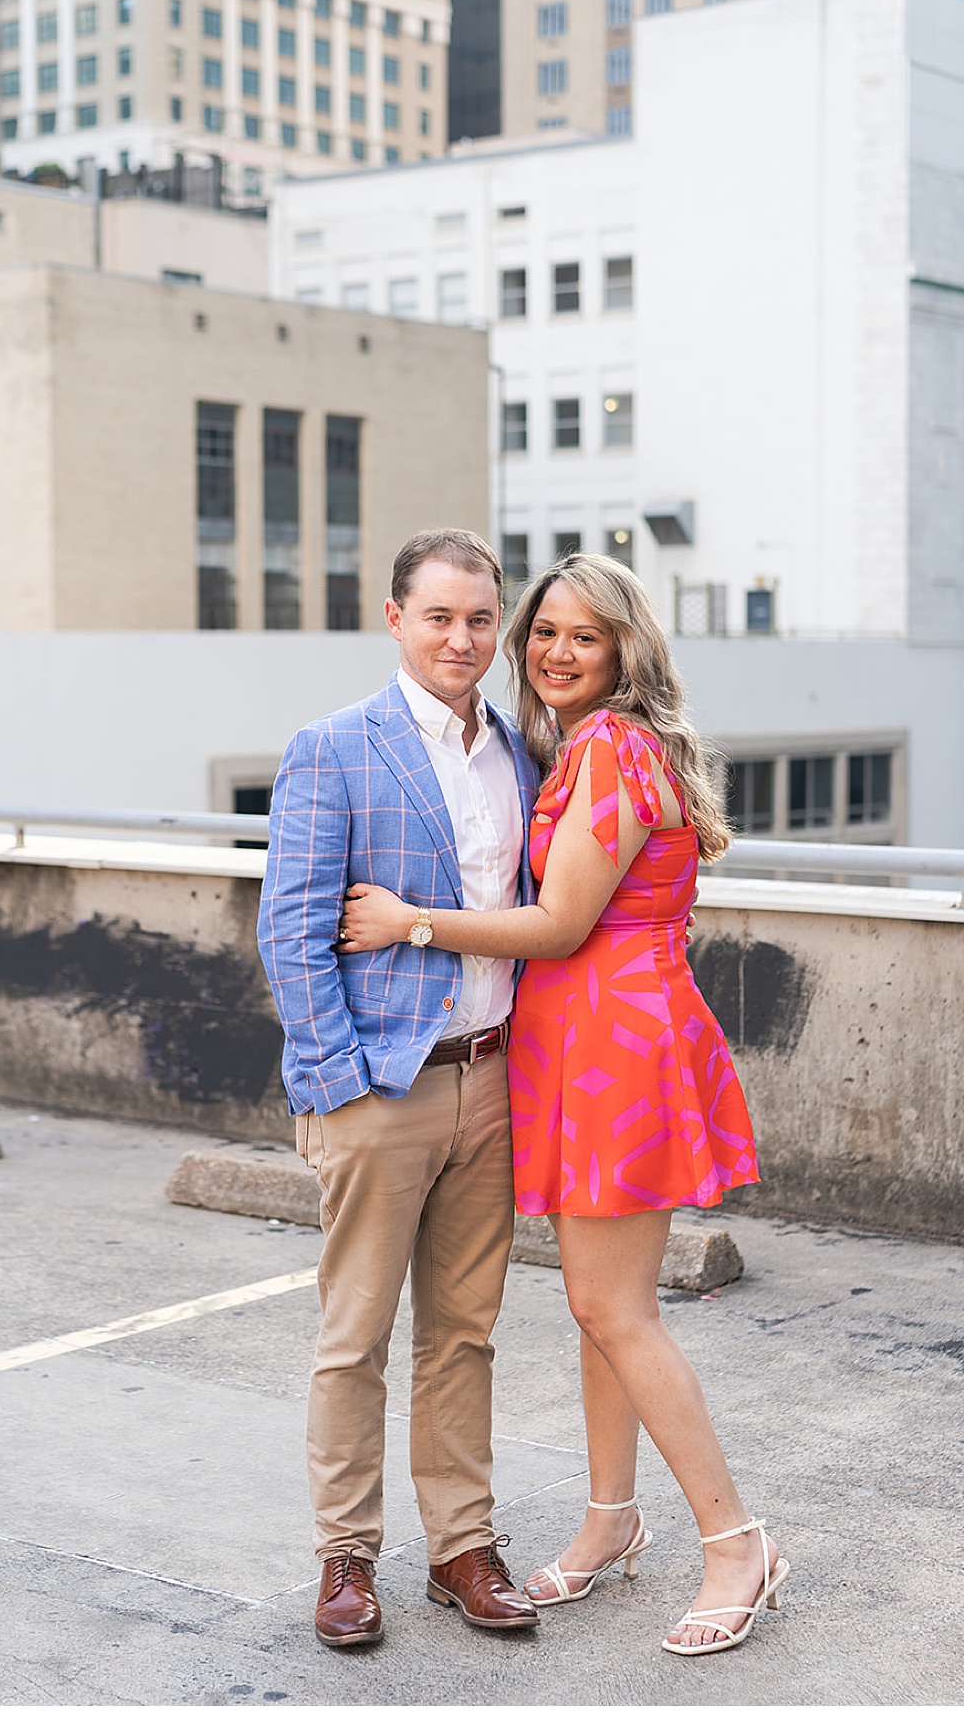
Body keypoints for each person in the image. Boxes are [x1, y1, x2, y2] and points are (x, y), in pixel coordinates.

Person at [339, 552, 789, 1659]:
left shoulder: (609, 749)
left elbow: (561, 925)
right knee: (601, 1307)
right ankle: (608, 1520)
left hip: (612, 1047)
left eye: (582, 636)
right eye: (543, 632)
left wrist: (411, 921)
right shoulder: (587, 747)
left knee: (616, 1312)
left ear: (624, 647)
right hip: (596, 1041)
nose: (553, 652)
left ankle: (737, 1545)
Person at [257, 530, 542, 1649]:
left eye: (481, 619)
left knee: (463, 1334)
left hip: (492, 1080)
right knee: (355, 1336)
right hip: (381, 1088)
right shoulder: (333, 748)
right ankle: (346, 1556)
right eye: (439, 617)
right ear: (395, 618)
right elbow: (292, 931)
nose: (462, 639)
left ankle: (462, 1546)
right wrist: (336, 1087)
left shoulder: (518, 754)